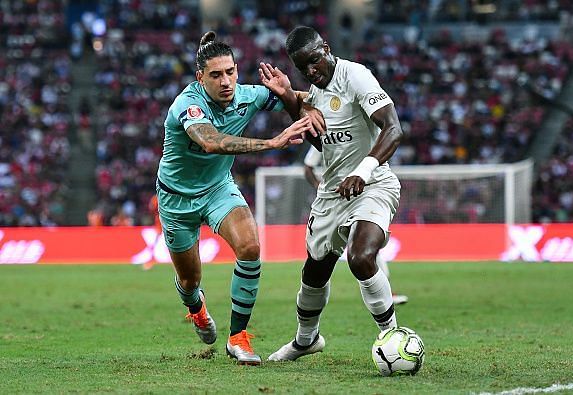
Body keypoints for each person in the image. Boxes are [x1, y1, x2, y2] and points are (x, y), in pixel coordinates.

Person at [157, 31, 316, 365]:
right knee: (190, 280)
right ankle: (196, 308)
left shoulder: (249, 95)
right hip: (176, 199)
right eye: (216, 75)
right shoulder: (187, 106)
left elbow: (300, 99)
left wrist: (297, 94)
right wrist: (271, 143)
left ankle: (237, 338)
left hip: (218, 189)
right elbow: (212, 142)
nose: (226, 81)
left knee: (250, 246)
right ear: (200, 78)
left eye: (230, 72)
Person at [260, 26, 405, 362]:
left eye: (314, 61)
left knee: (360, 257)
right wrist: (286, 97)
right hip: (332, 192)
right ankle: (306, 339)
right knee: (314, 272)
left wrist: (362, 171)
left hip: (373, 184)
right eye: (303, 68)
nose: (311, 71)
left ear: (325, 48)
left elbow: (393, 128)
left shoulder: (355, 75)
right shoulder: (314, 94)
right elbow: (323, 144)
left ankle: (392, 334)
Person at [303, 145, 409, 306]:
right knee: (321, 257)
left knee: (366, 249)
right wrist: (321, 187)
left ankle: (386, 298)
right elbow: (308, 167)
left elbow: (391, 132)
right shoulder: (327, 132)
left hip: (363, 197)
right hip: (335, 201)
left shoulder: (363, 128)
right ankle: (308, 326)